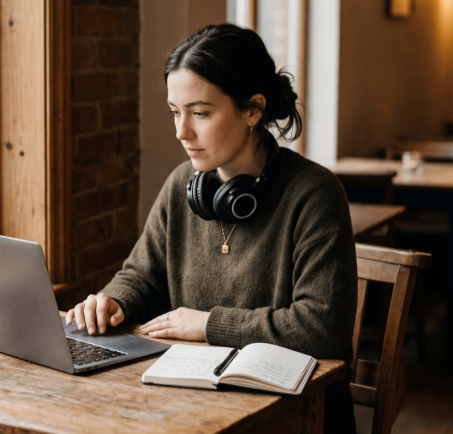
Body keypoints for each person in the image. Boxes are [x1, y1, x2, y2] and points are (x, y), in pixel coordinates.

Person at [64, 23, 358, 433]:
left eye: (200, 113)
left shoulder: (315, 194)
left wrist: (208, 325)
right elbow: (141, 276)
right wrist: (114, 301)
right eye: (175, 112)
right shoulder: (182, 184)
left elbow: (321, 327)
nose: (181, 132)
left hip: (296, 415)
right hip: (194, 406)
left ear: (253, 109)